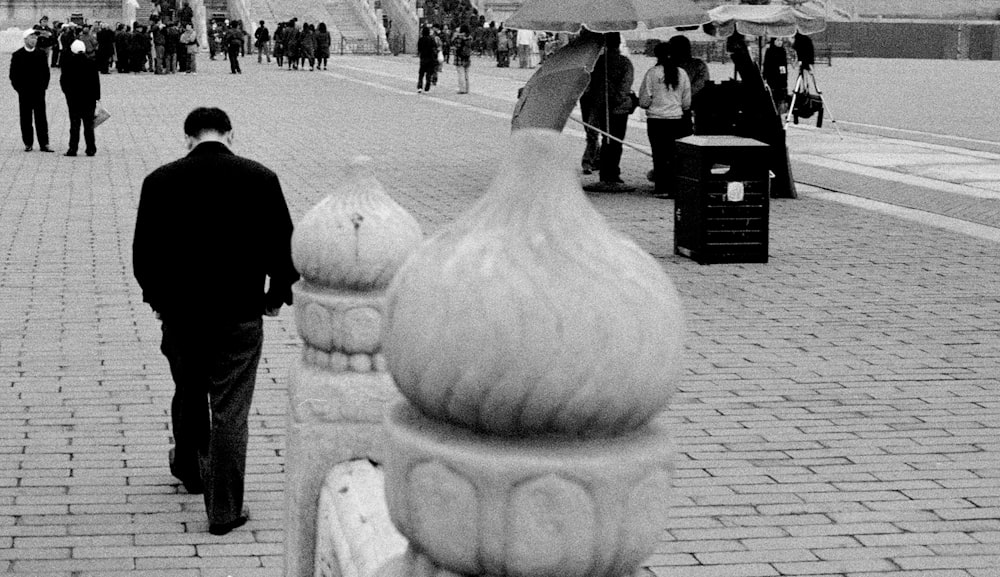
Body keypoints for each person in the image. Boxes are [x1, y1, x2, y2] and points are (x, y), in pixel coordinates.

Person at [132, 107, 299, 537]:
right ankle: (223, 510)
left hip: (182, 315)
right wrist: (276, 296)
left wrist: (157, 300)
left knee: (189, 390)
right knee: (230, 409)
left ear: (187, 138)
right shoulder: (260, 178)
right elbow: (284, 246)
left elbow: (143, 254)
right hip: (239, 312)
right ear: (229, 134)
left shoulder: (160, 180)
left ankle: (190, 469)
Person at [638, 41, 691, 199]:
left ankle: (661, 186)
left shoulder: (652, 73)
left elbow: (644, 101)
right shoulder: (682, 73)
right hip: (677, 120)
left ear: (656, 55)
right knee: (675, 154)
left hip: (656, 121)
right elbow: (687, 101)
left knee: (659, 154)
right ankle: (675, 186)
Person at [586, 33, 634, 187]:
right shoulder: (624, 62)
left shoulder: (598, 62)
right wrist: (618, 100)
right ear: (619, 43)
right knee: (616, 140)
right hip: (619, 109)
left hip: (601, 105)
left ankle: (604, 173)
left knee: (605, 139)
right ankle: (612, 172)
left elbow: (590, 84)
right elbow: (626, 85)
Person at [10, 29, 54, 153]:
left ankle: (44, 143)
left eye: (35, 38)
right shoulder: (18, 55)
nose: (34, 40)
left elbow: (46, 73)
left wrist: (44, 86)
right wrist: (19, 89)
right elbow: (13, 75)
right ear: (25, 40)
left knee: (41, 118)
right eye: (31, 38)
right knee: (26, 118)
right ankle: (28, 143)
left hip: (39, 92)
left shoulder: (40, 54)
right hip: (24, 93)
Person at [59, 40, 100, 157]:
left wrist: (67, 93)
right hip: (89, 99)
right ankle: (91, 148)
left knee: (74, 125)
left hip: (73, 99)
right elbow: (96, 82)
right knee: (89, 125)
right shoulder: (91, 63)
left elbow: (63, 81)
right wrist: (97, 97)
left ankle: (73, 149)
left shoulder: (68, 63)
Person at [667, 35, 709, 134]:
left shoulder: (697, 65)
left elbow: (699, 85)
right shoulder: (698, 65)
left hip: (678, 108)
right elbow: (700, 85)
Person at [763, 38, 789, 114]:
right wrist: (765, 76)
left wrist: (785, 76)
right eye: (778, 40)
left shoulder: (783, 51)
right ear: (773, 41)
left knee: (781, 98)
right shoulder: (770, 51)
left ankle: (780, 112)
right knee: (772, 97)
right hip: (772, 78)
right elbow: (766, 65)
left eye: (781, 40)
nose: (780, 42)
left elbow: (784, 65)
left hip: (782, 79)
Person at [416, 26, 437, 93]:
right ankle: (427, 88)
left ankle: (419, 87)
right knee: (428, 74)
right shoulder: (432, 39)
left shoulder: (421, 39)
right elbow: (435, 48)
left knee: (421, 74)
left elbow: (419, 49)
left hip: (423, 58)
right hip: (431, 58)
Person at [453, 24, 472, 94]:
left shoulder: (458, 37)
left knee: (461, 73)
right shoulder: (470, 37)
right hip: (467, 57)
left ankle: (462, 89)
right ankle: (467, 88)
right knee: (466, 73)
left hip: (459, 57)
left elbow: (456, 46)